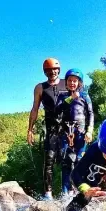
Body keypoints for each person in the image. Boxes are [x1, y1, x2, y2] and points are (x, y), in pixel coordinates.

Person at [27, 57, 66, 200]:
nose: (52, 72)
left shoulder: (67, 83)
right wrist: (30, 130)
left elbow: (79, 104)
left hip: (68, 130)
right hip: (51, 129)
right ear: (45, 72)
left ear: (59, 70)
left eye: (54, 69)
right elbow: (35, 109)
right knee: (48, 161)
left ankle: (68, 192)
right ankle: (48, 194)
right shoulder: (40, 87)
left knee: (68, 161)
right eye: (49, 70)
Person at [55, 68, 94, 194]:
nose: (72, 83)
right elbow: (58, 110)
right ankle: (65, 193)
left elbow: (90, 113)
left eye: (75, 81)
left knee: (80, 161)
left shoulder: (85, 95)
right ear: (66, 82)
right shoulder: (62, 95)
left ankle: (80, 191)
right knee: (66, 162)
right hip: (66, 133)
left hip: (81, 133)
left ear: (79, 83)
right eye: (70, 81)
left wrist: (90, 130)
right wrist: (71, 98)